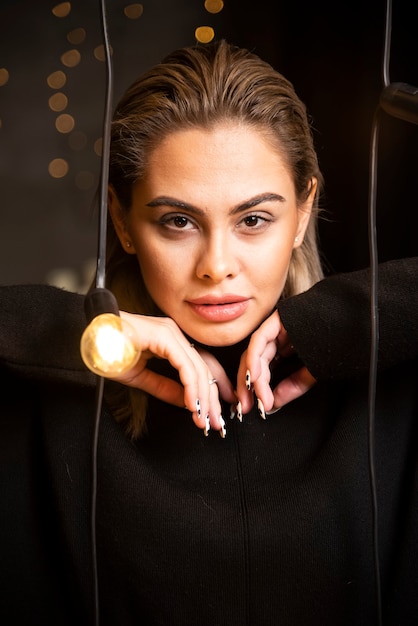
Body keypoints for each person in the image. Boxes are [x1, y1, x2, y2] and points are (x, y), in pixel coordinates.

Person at [0, 40, 417, 626]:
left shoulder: (389, 386)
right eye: (178, 221)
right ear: (122, 222)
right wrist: (81, 334)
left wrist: (348, 319)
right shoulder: (53, 399)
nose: (216, 265)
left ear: (302, 212)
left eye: (253, 219)